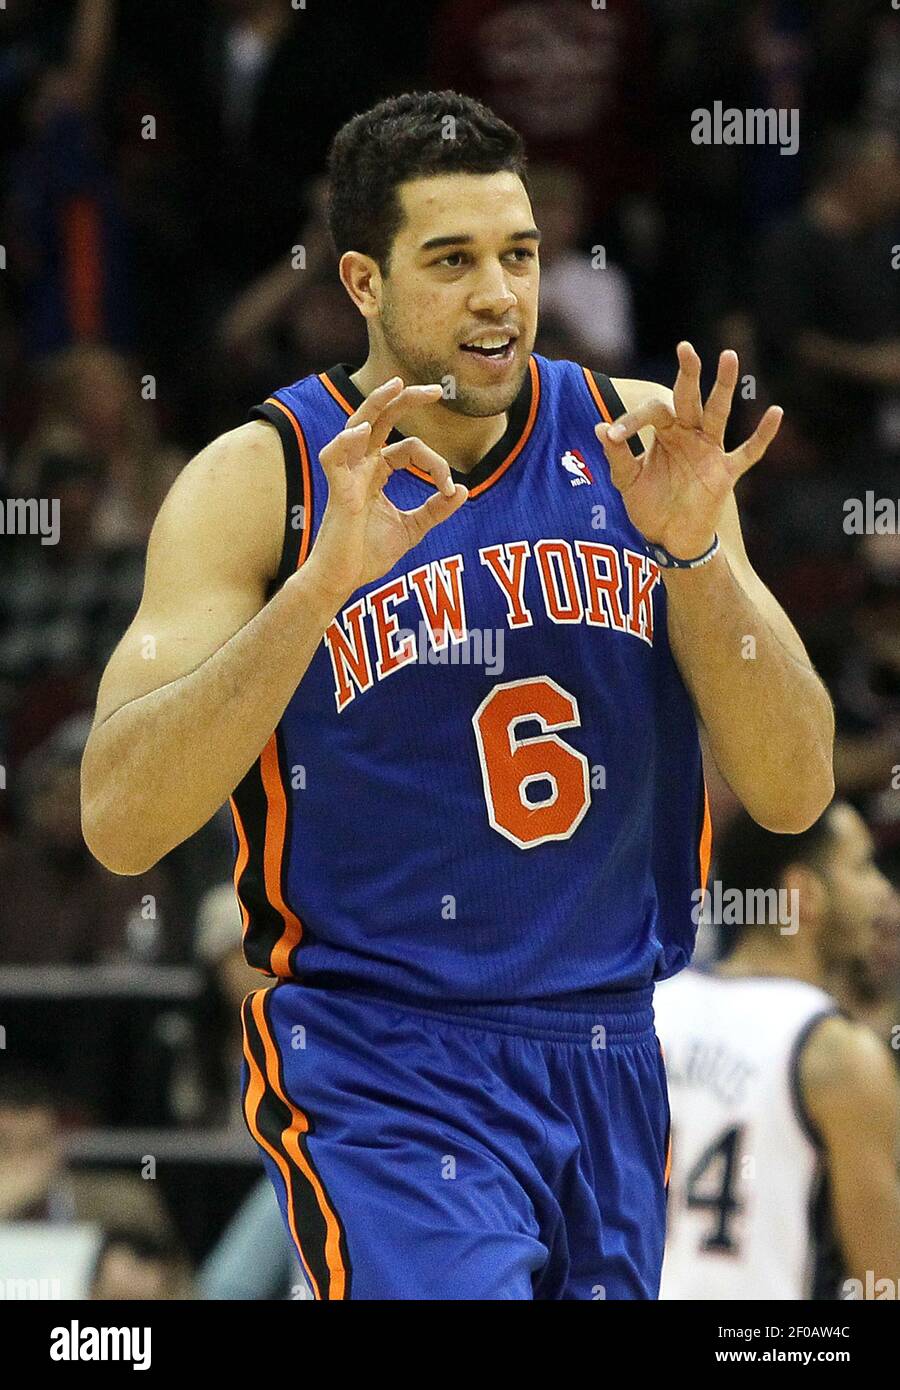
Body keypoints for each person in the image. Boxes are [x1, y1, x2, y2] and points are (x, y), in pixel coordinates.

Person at [81, 90, 834, 1300]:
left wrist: (694, 558)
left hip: (607, 1049)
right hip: (382, 1061)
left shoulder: (641, 442)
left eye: (520, 254)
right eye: (453, 260)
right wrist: (319, 588)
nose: (499, 293)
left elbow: (796, 788)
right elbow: (119, 819)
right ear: (365, 284)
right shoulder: (259, 477)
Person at [655, 803, 900, 1300]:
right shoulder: (837, 1055)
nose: (883, 891)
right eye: (860, 867)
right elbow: (885, 1282)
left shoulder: (649, 1008)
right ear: (802, 894)